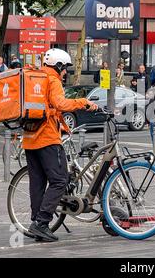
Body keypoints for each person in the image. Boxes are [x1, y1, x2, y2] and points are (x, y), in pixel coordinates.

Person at [23, 48, 98, 242]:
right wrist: (83, 102)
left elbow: (48, 109)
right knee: (59, 180)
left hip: (30, 138)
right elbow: (60, 104)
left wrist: (63, 127)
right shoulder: (52, 80)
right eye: (64, 68)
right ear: (58, 66)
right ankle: (42, 222)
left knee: (38, 183)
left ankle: (36, 223)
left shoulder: (35, 78)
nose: (65, 72)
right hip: (47, 139)